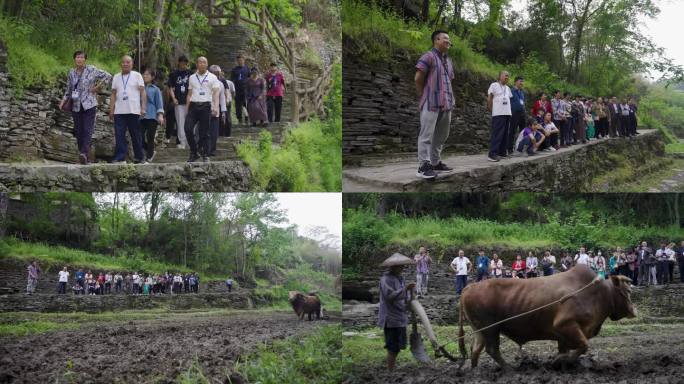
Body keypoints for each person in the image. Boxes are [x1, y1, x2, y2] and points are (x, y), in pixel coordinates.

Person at [59, 50, 112, 164]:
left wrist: (97, 87)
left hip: (89, 104)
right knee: (78, 131)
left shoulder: (91, 69)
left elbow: (108, 76)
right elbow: (68, 89)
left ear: (85, 59)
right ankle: (83, 156)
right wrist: (63, 101)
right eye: (77, 57)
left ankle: (83, 153)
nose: (79, 59)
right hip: (76, 104)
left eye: (82, 57)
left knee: (87, 129)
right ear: (74, 59)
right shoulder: (71, 72)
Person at [414, 30, 455, 178]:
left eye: (449, 39)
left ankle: (435, 162)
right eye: (445, 38)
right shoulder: (428, 56)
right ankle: (423, 166)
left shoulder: (449, 61)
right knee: (426, 135)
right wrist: (423, 95)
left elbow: (449, 81)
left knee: (441, 136)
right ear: (436, 40)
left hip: (446, 104)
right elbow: (418, 78)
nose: (448, 41)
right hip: (430, 102)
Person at [377, 253, 415, 371]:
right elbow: (390, 296)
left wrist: (410, 301)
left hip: (400, 316)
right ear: (393, 267)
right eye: (400, 266)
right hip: (391, 318)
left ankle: (392, 368)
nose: (403, 268)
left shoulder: (400, 278)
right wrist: (405, 289)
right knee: (392, 347)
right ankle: (390, 371)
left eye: (403, 266)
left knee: (398, 346)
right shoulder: (386, 279)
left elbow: (403, 296)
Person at [109, 55, 146, 163]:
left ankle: (139, 156)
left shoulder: (137, 75)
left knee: (136, 135)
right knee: (119, 135)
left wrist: (143, 108)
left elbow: (143, 92)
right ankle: (120, 157)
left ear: (132, 64)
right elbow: (113, 95)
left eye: (128, 62)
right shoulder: (116, 77)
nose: (125, 64)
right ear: (121, 64)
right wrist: (111, 110)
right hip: (119, 111)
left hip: (133, 110)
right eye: (123, 62)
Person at [185, 56, 220, 163]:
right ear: (197, 64)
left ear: (207, 64)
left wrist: (215, 106)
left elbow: (216, 93)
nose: (202, 64)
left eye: (204, 62)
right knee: (188, 128)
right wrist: (187, 108)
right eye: (200, 62)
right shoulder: (191, 77)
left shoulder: (213, 77)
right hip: (193, 105)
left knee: (204, 132)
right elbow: (189, 94)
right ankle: (194, 151)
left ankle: (205, 154)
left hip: (206, 106)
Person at [487, 71, 512, 162]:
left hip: (507, 113)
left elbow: (509, 99)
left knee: (505, 134)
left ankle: (502, 152)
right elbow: (489, 98)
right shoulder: (494, 85)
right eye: (506, 75)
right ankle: (492, 154)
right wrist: (491, 109)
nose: (507, 77)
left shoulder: (508, 88)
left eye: (508, 76)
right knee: (497, 134)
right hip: (498, 113)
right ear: (500, 76)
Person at [140, 68, 165, 163]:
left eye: (147, 74)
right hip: (141, 116)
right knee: (139, 136)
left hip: (152, 115)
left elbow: (159, 103)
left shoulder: (156, 89)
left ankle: (149, 157)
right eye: (144, 74)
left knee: (150, 137)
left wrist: (160, 115)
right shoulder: (140, 87)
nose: (145, 76)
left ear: (152, 77)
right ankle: (150, 151)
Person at [167, 55, 191, 149]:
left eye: (185, 63)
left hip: (189, 101)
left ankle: (190, 142)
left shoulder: (191, 74)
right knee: (180, 122)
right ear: (179, 63)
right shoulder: (174, 74)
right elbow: (170, 88)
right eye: (182, 63)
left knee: (190, 122)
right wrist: (173, 98)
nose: (183, 65)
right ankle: (182, 142)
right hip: (179, 101)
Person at [208, 64, 226, 157]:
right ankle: (204, 148)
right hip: (204, 110)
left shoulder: (221, 84)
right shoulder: (205, 82)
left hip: (216, 111)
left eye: (217, 73)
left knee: (214, 132)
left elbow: (222, 99)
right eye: (214, 73)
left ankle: (212, 150)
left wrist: (223, 112)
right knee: (204, 131)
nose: (216, 75)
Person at [230, 55, 251, 125]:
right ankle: (239, 119)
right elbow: (232, 80)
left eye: (241, 60)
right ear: (237, 61)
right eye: (239, 60)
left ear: (244, 60)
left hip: (245, 89)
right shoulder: (234, 70)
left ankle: (247, 118)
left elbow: (250, 79)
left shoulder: (247, 69)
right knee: (238, 105)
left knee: (246, 104)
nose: (240, 62)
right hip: (237, 90)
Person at [508, 76, 526, 155]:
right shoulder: (511, 91)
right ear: (515, 82)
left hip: (522, 113)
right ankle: (509, 148)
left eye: (522, 81)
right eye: (520, 81)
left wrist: (524, 111)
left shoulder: (521, 92)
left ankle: (520, 147)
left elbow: (523, 102)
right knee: (512, 130)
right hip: (514, 113)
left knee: (523, 131)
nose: (521, 83)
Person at [218, 69, 235, 137]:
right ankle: (221, 133)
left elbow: (230, 91)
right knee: (219, 118)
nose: (220, 74)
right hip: (218, 102)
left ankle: (228, 134)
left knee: (227, 118)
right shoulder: (214, 80)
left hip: (227, 102)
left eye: (221, 72)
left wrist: (229, 99)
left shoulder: (227, 82)